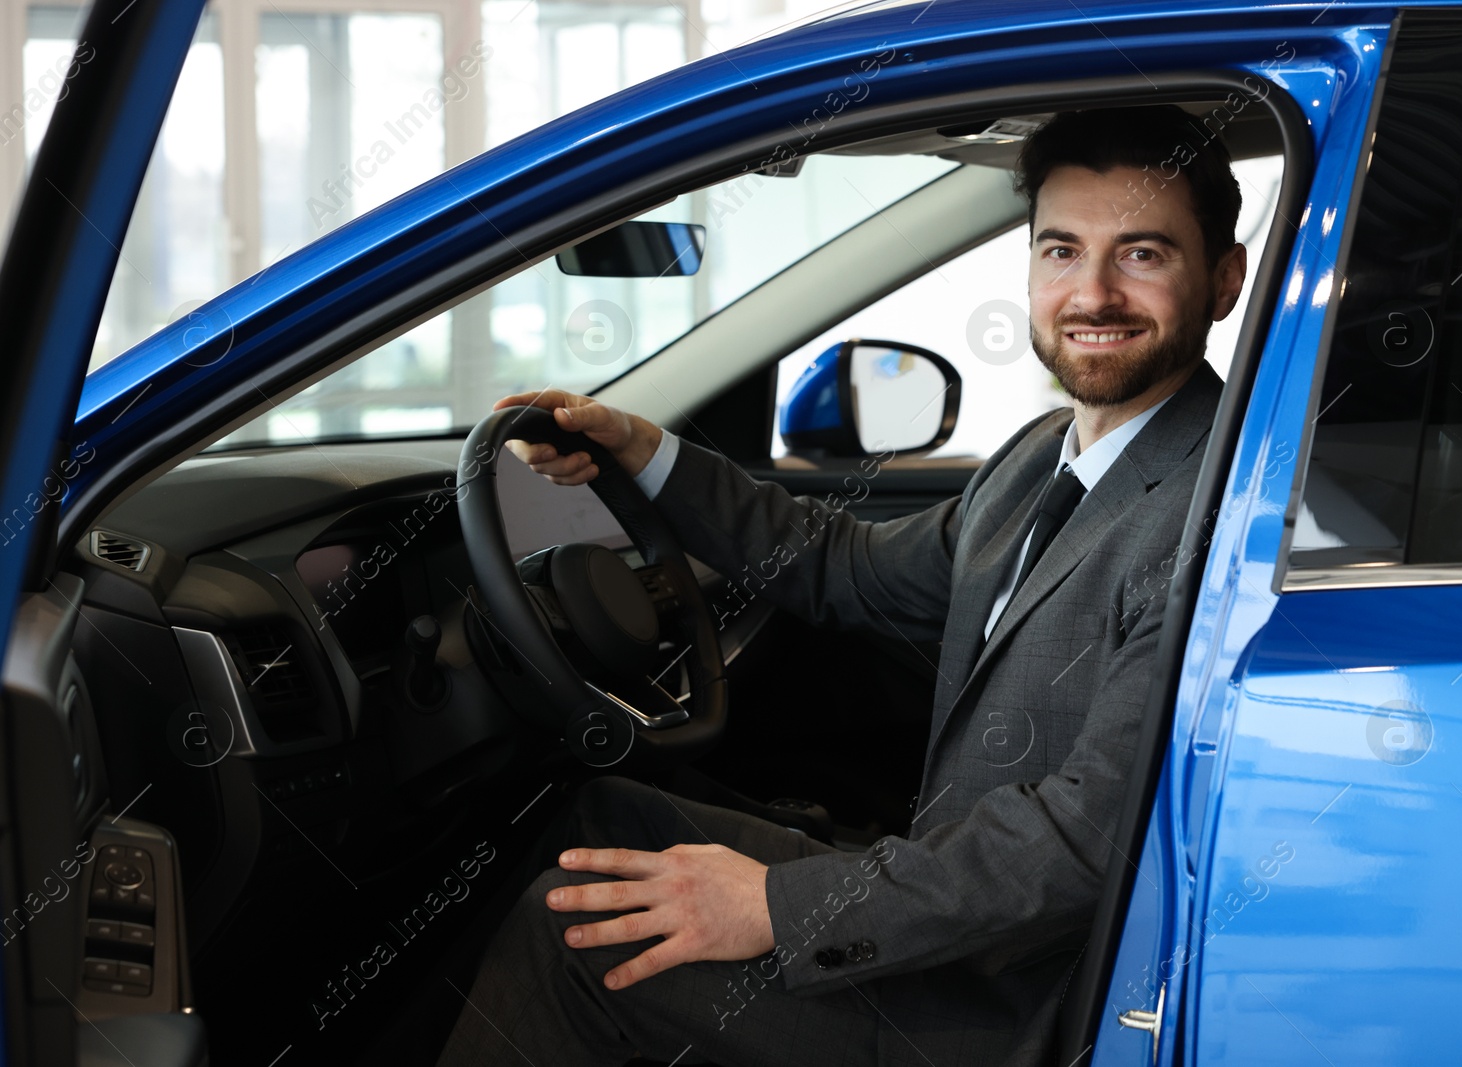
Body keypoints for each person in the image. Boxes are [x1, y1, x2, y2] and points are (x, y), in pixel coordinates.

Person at [437, 104, 1247, 1067]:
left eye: (1143, 254)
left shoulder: (1213, 506)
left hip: (1017, 998)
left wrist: (772, 909)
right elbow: (846, 568)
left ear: (1225, 280)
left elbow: (1081, 843)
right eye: (1062, 251)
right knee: (601, 825)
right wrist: (640, 450)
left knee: (573, 935)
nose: (1094, 293)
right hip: (957, 921)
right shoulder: (1042, 461)